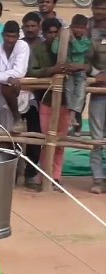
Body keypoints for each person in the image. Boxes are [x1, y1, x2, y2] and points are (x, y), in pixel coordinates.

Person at [27, 17, 68, 191]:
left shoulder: (67, 49)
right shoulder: (38, 49)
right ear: (43, 34)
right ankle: (44, 174)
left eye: (55, 32)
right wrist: (52, 70)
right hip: (46, 99)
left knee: (60, 142)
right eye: (49, 32)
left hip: (66, 101)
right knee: (46, 139)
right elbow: (32, 71)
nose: (52, 35)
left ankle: (56, 177)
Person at [0, 21, 31, 132]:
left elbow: (19, 72)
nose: (10, 40)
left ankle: (17, 119)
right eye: (7, 36)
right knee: (2, 134)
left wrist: (0, 77)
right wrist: (7, 78)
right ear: (2, 35)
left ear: (18, 37)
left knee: (19, 137)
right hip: (0, 97)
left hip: (18, 94)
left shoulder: (23, 46)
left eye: (13, 37)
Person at [53, 14, 90, 136]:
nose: (78, 30)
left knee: (80, 91)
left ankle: (73, 115)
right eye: (76, 27)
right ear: (71, 27)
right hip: (67, 71)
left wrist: (72, 40)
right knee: (69, 89)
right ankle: (71, 115)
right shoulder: (65, 36)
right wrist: (60, 39)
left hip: (79, 71)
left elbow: (79, 50)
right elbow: (54, 50)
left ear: (85, 28)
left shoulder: (85, 40)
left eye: (81, 28)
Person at [20, 11, 44, 189]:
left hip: (38, 98)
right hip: (15, 96)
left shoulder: (45, 46)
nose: (30, 29)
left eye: (33, 26)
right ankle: (11, 173)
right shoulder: (17, 45)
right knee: (10, 134)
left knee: (35, 135)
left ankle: (30, 173)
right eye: (27, 26)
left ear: (39, 27)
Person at [87, 0, 106, 193]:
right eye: (97, 7)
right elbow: (83, 57)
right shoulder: (87, 27)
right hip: (98, 88)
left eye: (103, 7)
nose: (99, 11)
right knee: (96, 135)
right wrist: (95, 74)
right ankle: (98, 178)